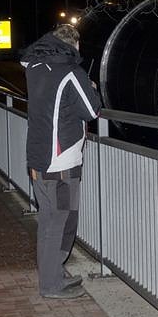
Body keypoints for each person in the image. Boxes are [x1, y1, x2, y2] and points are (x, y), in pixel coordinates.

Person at [21, 24, 101, 299]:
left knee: (49, 221)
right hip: (62, 163)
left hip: (37, 158)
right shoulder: (71, 72)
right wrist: (91, 87)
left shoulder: (34, 67)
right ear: (74, 45)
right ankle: (52, 284)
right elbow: (91, 111)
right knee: (60, 223)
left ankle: (54, 272)